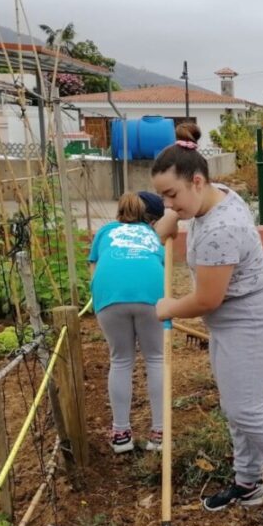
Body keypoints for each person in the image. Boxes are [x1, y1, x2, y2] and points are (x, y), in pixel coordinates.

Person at [151, 123, 263, 523]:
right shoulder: (215, 194)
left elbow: (208, 298)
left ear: (196, 181)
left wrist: (169, 308)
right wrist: (172, 216)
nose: (167, 202)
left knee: (245, 407)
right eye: (161, 195)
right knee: (236, 405)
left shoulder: (222, 230)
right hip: (231, 320)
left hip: (253, 318)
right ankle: (248, 483)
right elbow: (184, 211)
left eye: (171, 195)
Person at [89, 191, 179, 453]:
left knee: (120, 360)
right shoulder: (153, 236)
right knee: (155, 359)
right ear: (151, 220)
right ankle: (160, 433)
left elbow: (93, 272)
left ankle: (121, 434)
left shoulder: (105, 232)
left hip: (109, 296)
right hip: (151, 295)